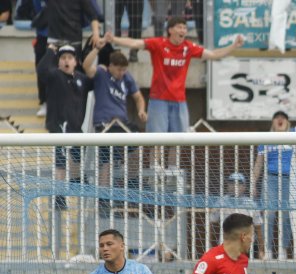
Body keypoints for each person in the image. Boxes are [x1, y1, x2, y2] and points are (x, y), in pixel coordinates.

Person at [108, 18, 244, 136]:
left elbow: (213, 54)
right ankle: (155, 166)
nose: (183, 30)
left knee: (178, 139)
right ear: (170, 30)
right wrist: (114, 39)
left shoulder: (188, 48)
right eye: (179, 27)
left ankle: (173, 167)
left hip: (179, 100)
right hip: (158, 99)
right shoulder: (159, 44)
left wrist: (233, 46)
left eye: (185, 28)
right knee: (156, 137)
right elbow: (135, 43)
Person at [250, 89, 296, 260]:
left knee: (288, 216)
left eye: (283, 117)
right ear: (273, 122)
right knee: (270, 214)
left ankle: (282, 249)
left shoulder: (293, 134)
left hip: (291, 180)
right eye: (277, 117)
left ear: (287, 122)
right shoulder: (265, 140)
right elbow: (258, 164)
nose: (280, 119)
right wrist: (253, 184)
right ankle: (266, 249)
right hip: (271, 179)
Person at [84, 46, 145, 211]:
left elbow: (138, 97)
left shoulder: (127, 78)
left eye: (124, 70)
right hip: (105, 125)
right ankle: (103, 199)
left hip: (123, 125)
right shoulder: (101, 74)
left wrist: (141, 110)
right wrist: (96, 49)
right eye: (119, 70)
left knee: (138, 147)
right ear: (110, 66)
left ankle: (132, 186)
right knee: (106, 160)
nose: (122, 73)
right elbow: (86, 67)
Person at [37, 43, 92, 210]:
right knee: (61, 163)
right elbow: (41, 70)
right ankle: (59, 196)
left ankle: (75, 181)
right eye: (63, 58)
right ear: (58, 61)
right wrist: (49, 51)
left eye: (69, 58)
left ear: (76, 61)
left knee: (77, 156)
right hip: (59, 126)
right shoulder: (54, 75)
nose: (66, 61)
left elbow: (94, 83)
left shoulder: (81, 78)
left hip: (76, 126)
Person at [210, 173, 264, 257]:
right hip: (226, 246)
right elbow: (212, 224)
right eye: (231, 183)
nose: (235, 186)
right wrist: (211, 245)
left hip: (247, 248)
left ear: (244, 186)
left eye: (239, 183)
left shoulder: (251, 204)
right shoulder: (221, 202)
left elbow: (258, 228)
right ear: (227, 185)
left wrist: (261, 250)